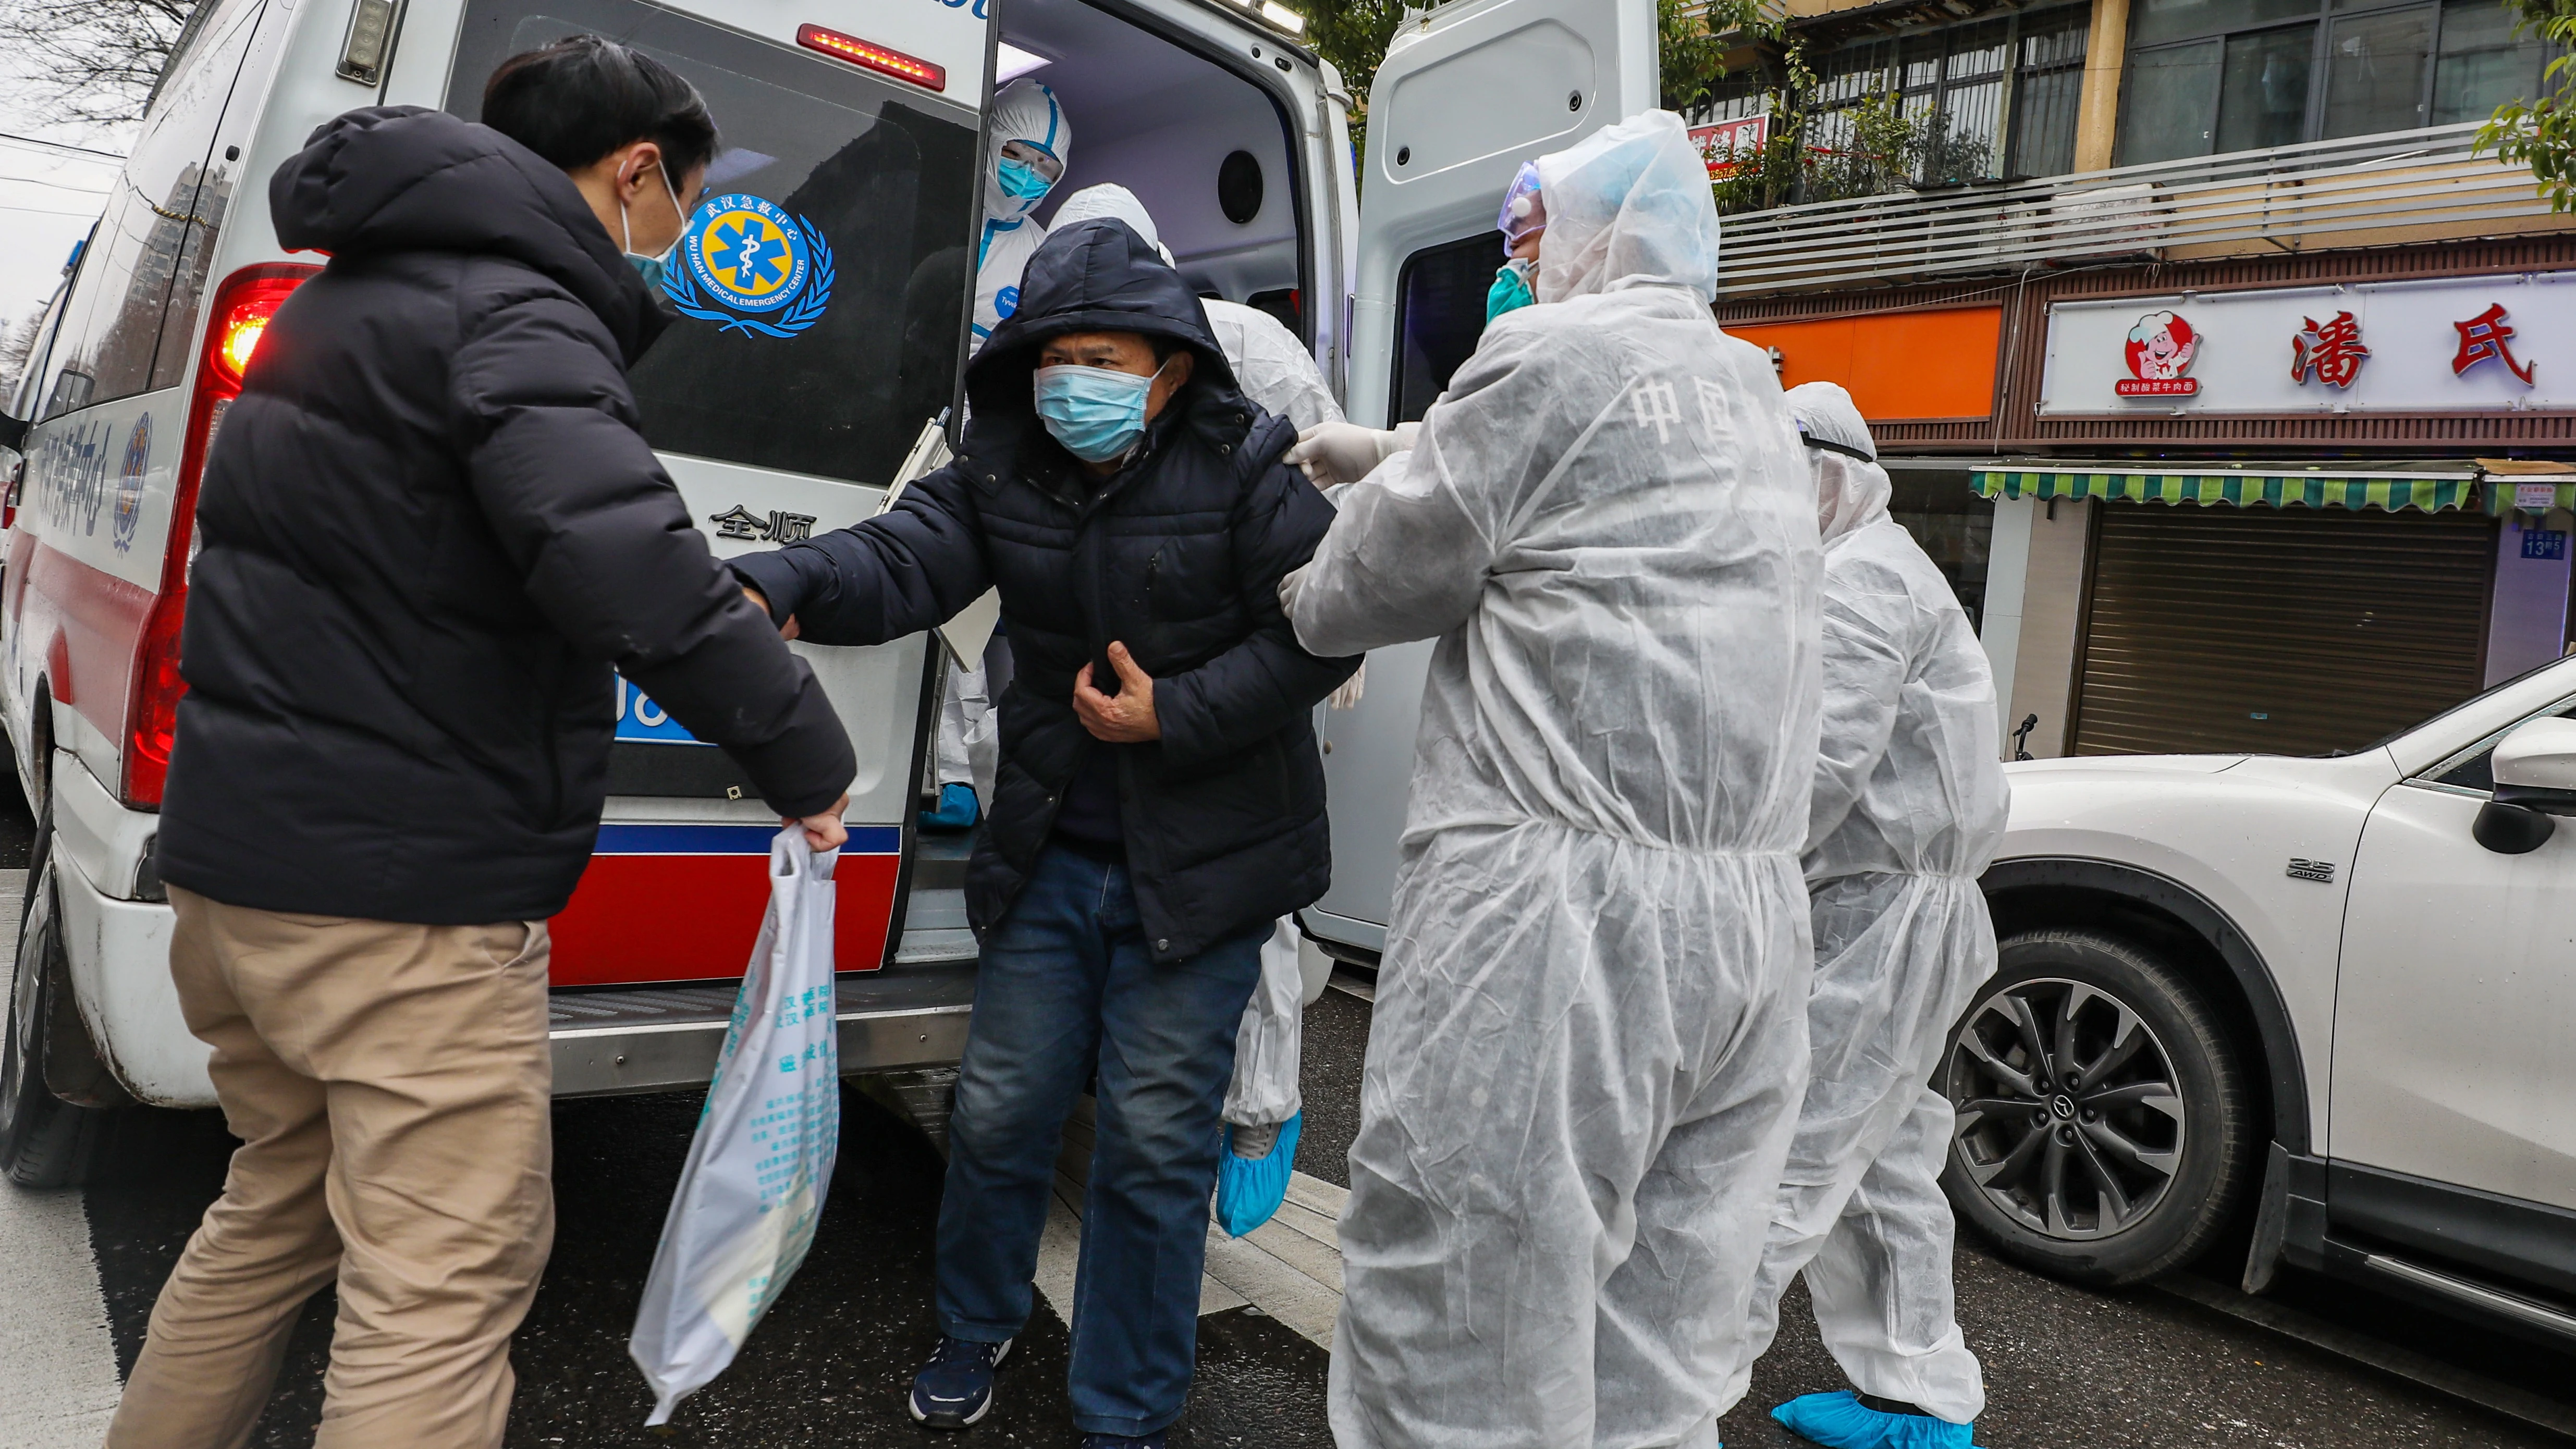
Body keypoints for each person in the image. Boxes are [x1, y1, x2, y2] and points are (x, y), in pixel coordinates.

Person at [117, 38, 856, 1449]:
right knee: (440, 1287)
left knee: (273, 1205)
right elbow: (632, 566)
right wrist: (806, 763)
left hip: (240, 873)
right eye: (685, 205)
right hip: (399, 900)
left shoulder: (349, 300)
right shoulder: (515, 311)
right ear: (635, 169)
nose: (681, 238)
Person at [728, 216, 1356, 1448]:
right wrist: (785, 583)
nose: (1075, 380)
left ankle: (1123, 1406)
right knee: (1002, 1107)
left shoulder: (1244, 463)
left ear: (1170, 367)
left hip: (1205, 869)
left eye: (1106, 357)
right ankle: (975, 1323)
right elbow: (906, 555)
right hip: (1055, 848)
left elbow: (1322, 630)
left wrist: (1172, 712)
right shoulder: (1006, 461)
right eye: (1054, 354)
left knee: (1152, 1140)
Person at [1277, 110, 1822, 1449]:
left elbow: (1354, 596)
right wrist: (1402, 444)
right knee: (1654, 1348)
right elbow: (1590, 497)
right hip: (1747, 937)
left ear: (1596, 234)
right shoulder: (1752, 391)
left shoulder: (1539, 355)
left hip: (1553, 930)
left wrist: (1304, 552)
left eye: (1526, 239)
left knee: (1461, 1315)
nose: (1511, 271)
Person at [1045, 181, 1338, 1235]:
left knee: (1239, 897)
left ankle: (1259, 1113)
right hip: (1113, 660)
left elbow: (1324, 489)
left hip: (1239, 651)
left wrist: (1317, 626)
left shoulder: (1249, 348)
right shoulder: (1057, 355)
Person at [1727, 381, 2009, 1449]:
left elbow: (1815, 775)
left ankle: (1668, 1407)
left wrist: (1720, 877)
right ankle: (1918, 1390)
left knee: (1780, 1160)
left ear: (1831, 476)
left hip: (1878, 921)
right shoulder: (1864, 570)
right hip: (1886, 912)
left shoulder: (1859, 585)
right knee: (1882, 1157)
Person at [923, 77, 1077, 833]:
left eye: (1046, 171)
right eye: (1018, 154)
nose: (1027, 177)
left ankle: (956, 778)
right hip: (900, 429)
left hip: (982, 450)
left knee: (962, 611)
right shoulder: (929, 206)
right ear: (990, 140)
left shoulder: (1041, 254)